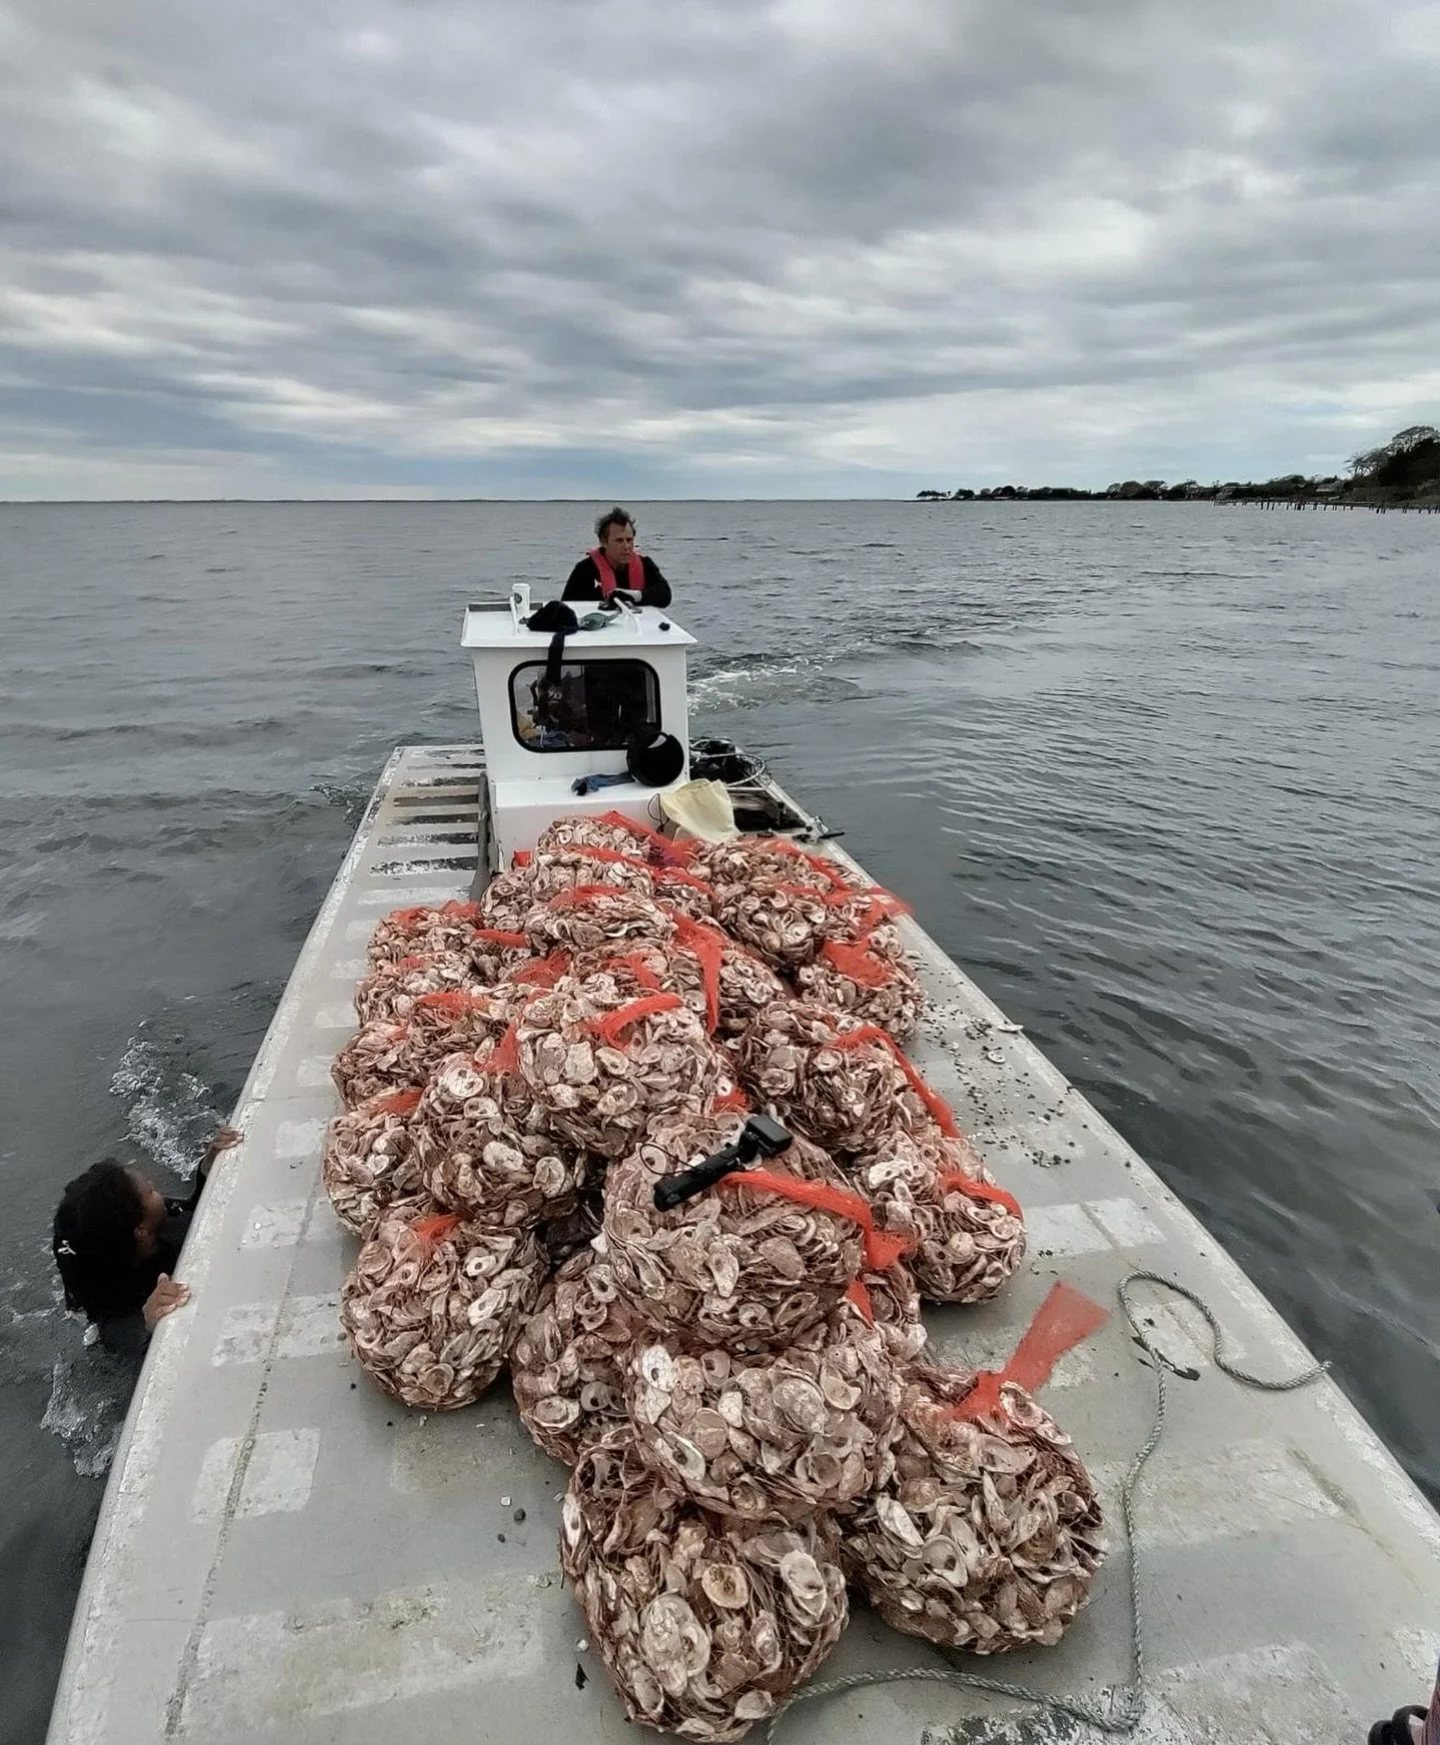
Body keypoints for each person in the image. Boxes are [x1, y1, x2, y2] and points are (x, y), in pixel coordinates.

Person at [52, 1126, 241, 1360]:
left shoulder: (153, 1220)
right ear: (140, 1230)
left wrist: (208, 1171)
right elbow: (133, 1344)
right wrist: (150, 1324)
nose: (155, 1186)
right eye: (151, 1191)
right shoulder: (117, 1317)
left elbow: (191, 1211)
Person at [562, 507, 673, 608]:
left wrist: (635, 596)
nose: (626, 546)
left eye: (629, 540)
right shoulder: (584, 570)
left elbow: (665, 595)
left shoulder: (645, 564)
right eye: (619, 540)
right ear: (604, 542)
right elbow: (565, 607)